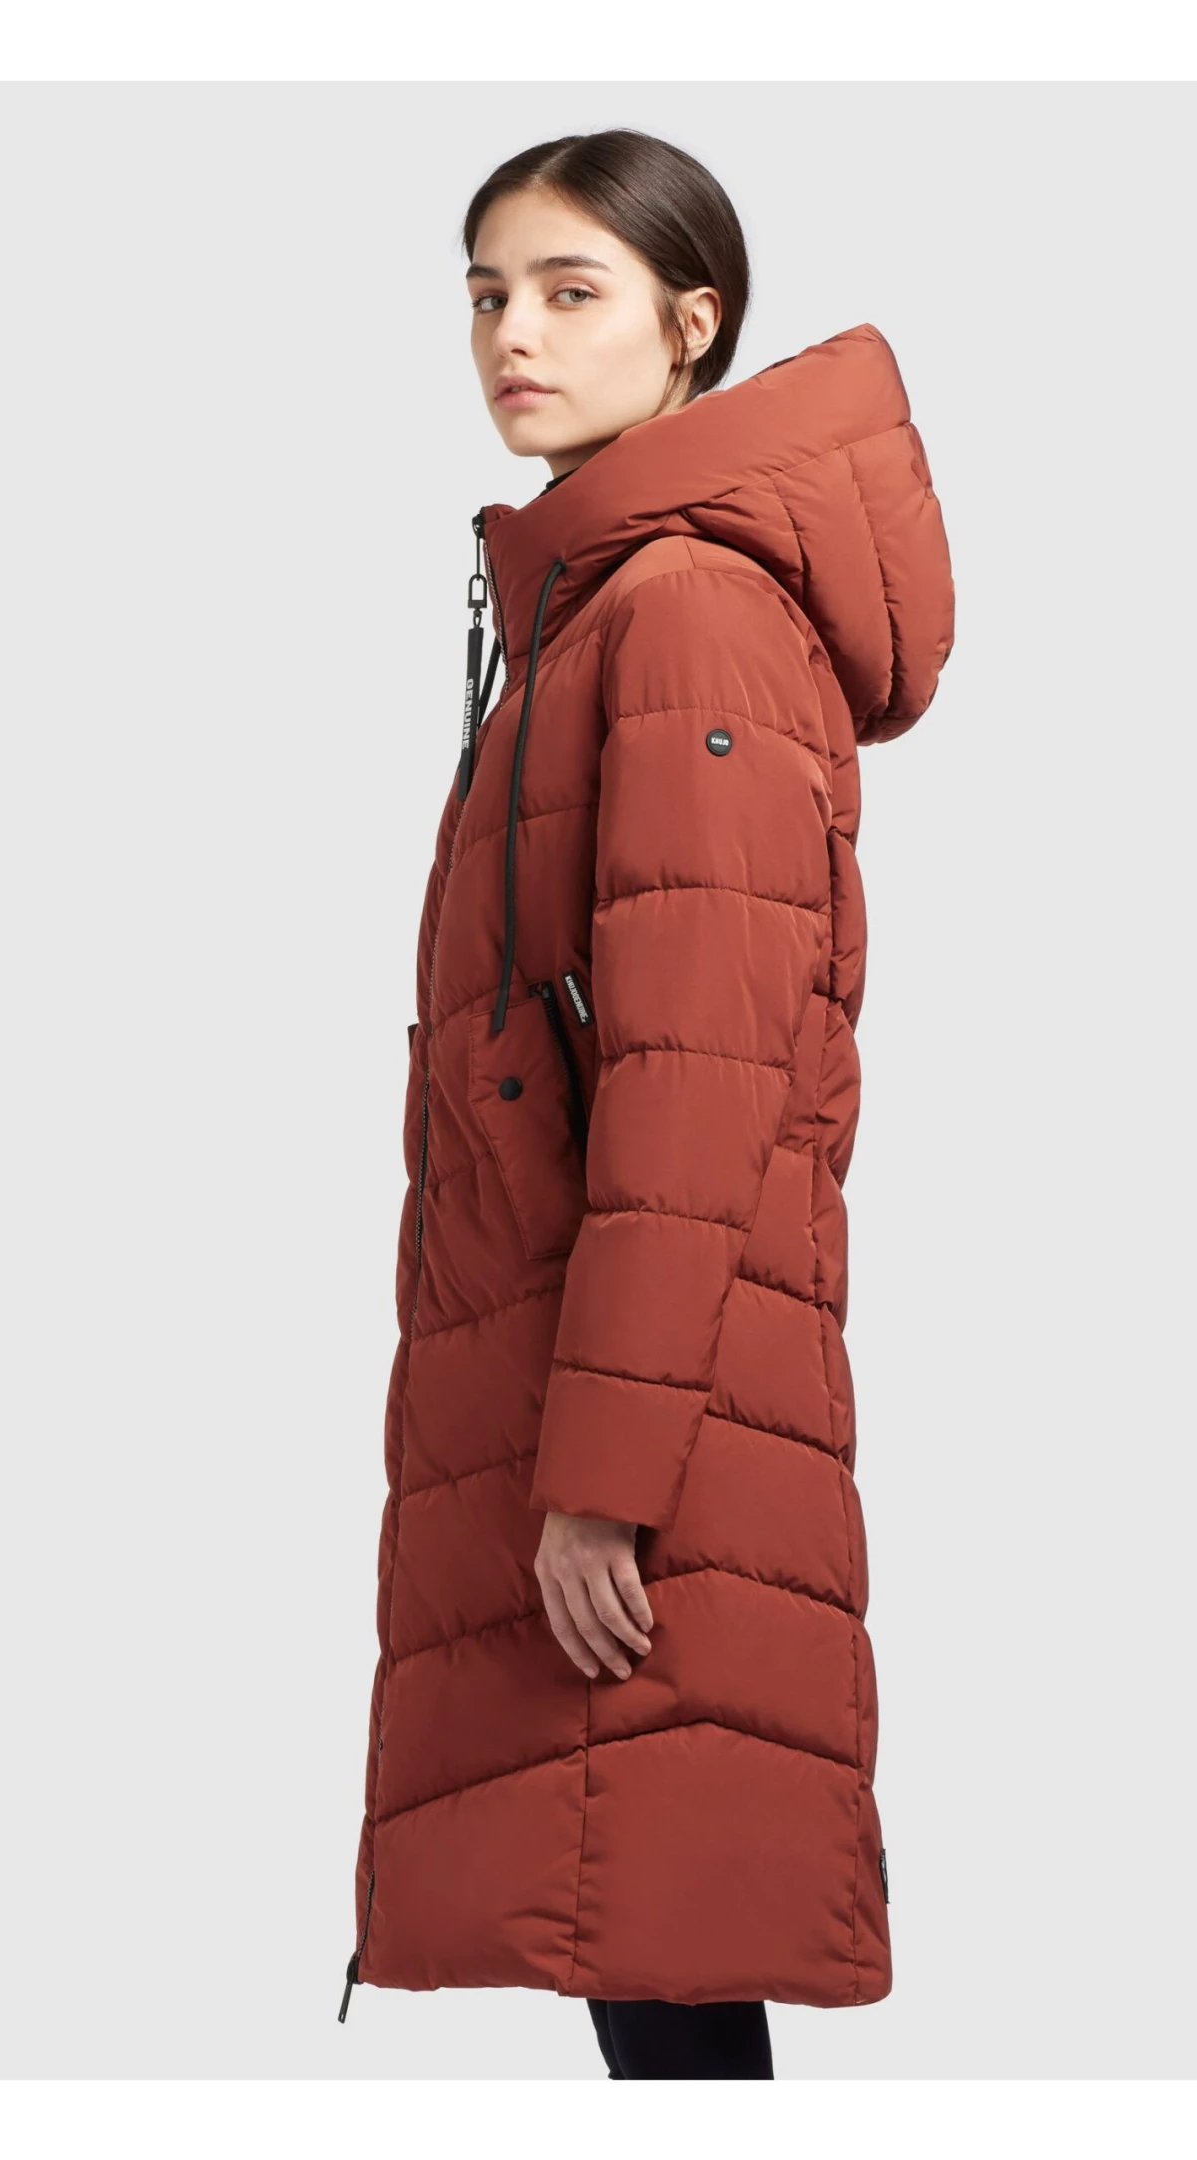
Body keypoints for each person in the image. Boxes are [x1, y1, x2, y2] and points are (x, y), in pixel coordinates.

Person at [340, 127, 955, 2079]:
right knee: (641, 1925)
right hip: (595, 1374)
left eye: (569, 291)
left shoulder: (680, 612)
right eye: (485, 294)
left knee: (668, 1939)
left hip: (646, 1420)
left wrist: (604, 1479)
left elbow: (698, 1086)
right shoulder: (594, 604)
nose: (511, 336)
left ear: (694, 326)